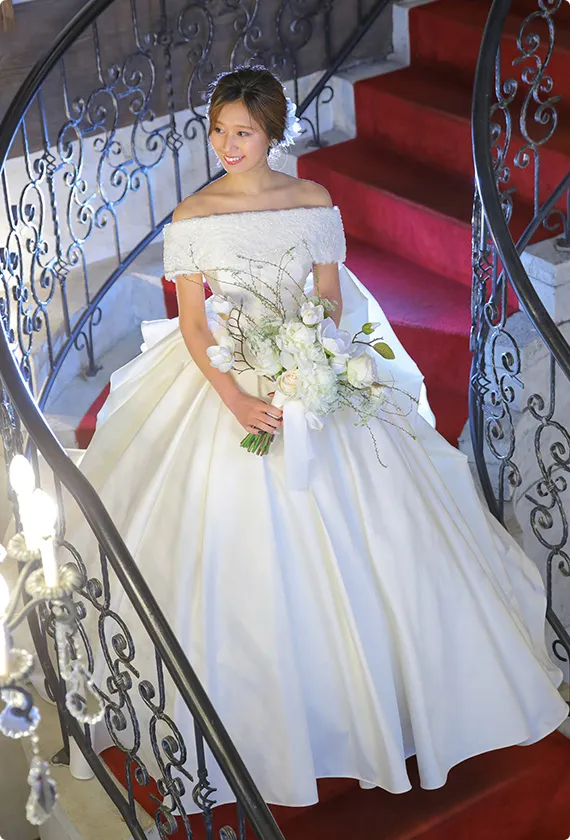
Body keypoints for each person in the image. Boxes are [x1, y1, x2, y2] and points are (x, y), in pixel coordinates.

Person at [67, 66, 568, 813]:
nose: (227, 145)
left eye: (243, 132)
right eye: (218, 130)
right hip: (229, 376)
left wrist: (313, 363)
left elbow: (330, 297)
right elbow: (195, 325)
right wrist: (238, 396)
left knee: (386, 538)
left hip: (311, 375)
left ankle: (391, 707)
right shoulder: (192, 215)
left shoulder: (312, 201)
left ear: (272, 132)